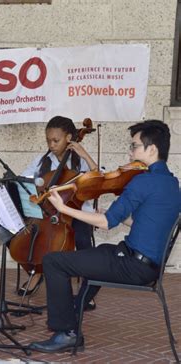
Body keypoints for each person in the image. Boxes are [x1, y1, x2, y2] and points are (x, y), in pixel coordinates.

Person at [28, 119, 180, 353]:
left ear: (152, 149)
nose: (130, 153)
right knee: (95, 255)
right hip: (146, 264)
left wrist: (64, 208)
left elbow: (107, 224)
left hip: (132, 265)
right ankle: (75, 309)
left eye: (134, 146)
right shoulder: (170, 183)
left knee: (53, 261)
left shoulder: (143, 181)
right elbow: (144, 222)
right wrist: (115, 215)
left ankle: (67, 333)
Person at [18, 116, 98, 309]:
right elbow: (24, 180)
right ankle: (37, 272)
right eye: (48, 141)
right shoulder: (42, 161)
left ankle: (86, 288)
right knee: (29, 239)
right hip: (49, 214)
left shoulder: (80, 161)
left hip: (77, 214)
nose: (51, 145)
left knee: (83, 243)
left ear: (69, 137)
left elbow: (98, 180)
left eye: (56, 140)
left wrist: (86, 156)